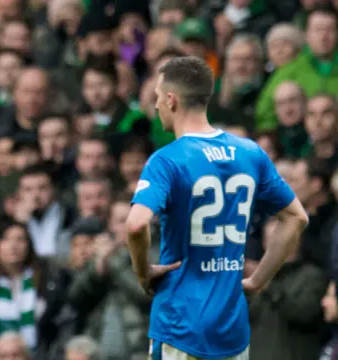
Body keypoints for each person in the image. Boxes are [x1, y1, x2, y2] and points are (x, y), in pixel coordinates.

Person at [124, 56, 309, 360]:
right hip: (231, 328)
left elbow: (135, 224)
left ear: (171, 100)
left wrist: (142, 272)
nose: (155, 106)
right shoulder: (250, 152)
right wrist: (259, 279)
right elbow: (296, 218)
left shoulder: (167, 159)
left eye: (157, 97)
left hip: (179, 324)